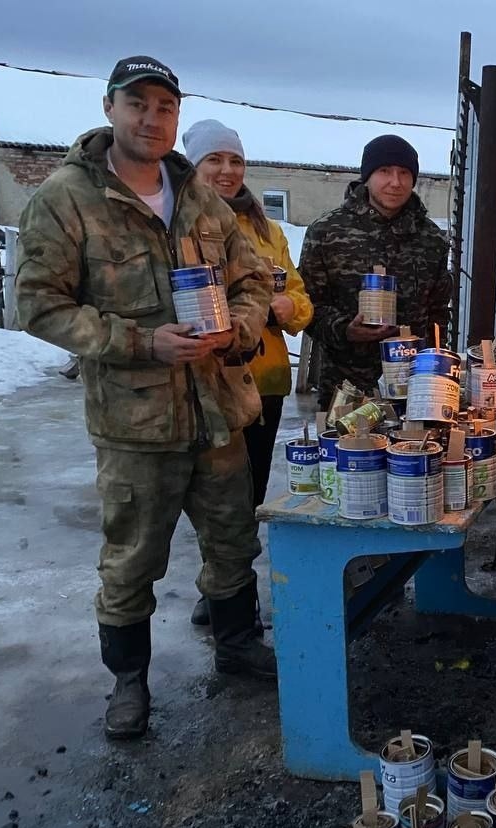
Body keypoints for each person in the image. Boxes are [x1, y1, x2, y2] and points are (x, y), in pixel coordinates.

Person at [16, 56, 276, 741]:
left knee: (232, 541)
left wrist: (237, 331)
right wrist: (140, 342)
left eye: (165, 107)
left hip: (217, 411)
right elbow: (39, 306)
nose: (152, 119)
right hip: (137, 422)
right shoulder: (67, 199)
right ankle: (128, 683)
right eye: (138, 105)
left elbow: (254, 279)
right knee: (133, 558)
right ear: (109, 108)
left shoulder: (199, 197)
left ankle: (239, 644)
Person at [183, 118, 315, 626]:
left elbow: (302, 300)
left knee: (253, 490)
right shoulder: (182, 225)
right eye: (214, 159)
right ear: (192, 164)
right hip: (210, 379)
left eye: (235, 160)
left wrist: (286, 306)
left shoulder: (267, 229)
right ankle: (220, 591)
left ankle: (230, 593)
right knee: (217, 495)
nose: (227, 170)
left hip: (266, 380)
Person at [298, 135, 451, 408]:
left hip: (414, 388)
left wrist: (437, 369)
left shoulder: (432, 239)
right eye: (385, 171)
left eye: (404, 173)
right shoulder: (327, 232)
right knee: (349, 451)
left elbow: (439, 314)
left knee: (414, 450)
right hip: (346, 387)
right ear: (367, 176)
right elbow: (307, 306)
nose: (395, 182)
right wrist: (345, 329)